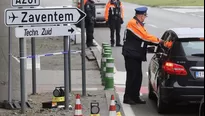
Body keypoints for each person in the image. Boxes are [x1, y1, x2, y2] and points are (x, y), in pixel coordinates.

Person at [122, 7, 164, 104]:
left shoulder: (138, 24)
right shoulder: (133, 23)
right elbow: (144, 37)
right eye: (145, 16)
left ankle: (135, 96)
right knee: (132, 76)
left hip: (136, 54)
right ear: (141, 15)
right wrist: (159, 41)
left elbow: (144, 38)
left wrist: (154, 43)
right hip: (131, 54)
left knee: (138, 76)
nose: (145, 18)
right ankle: (127, 97)